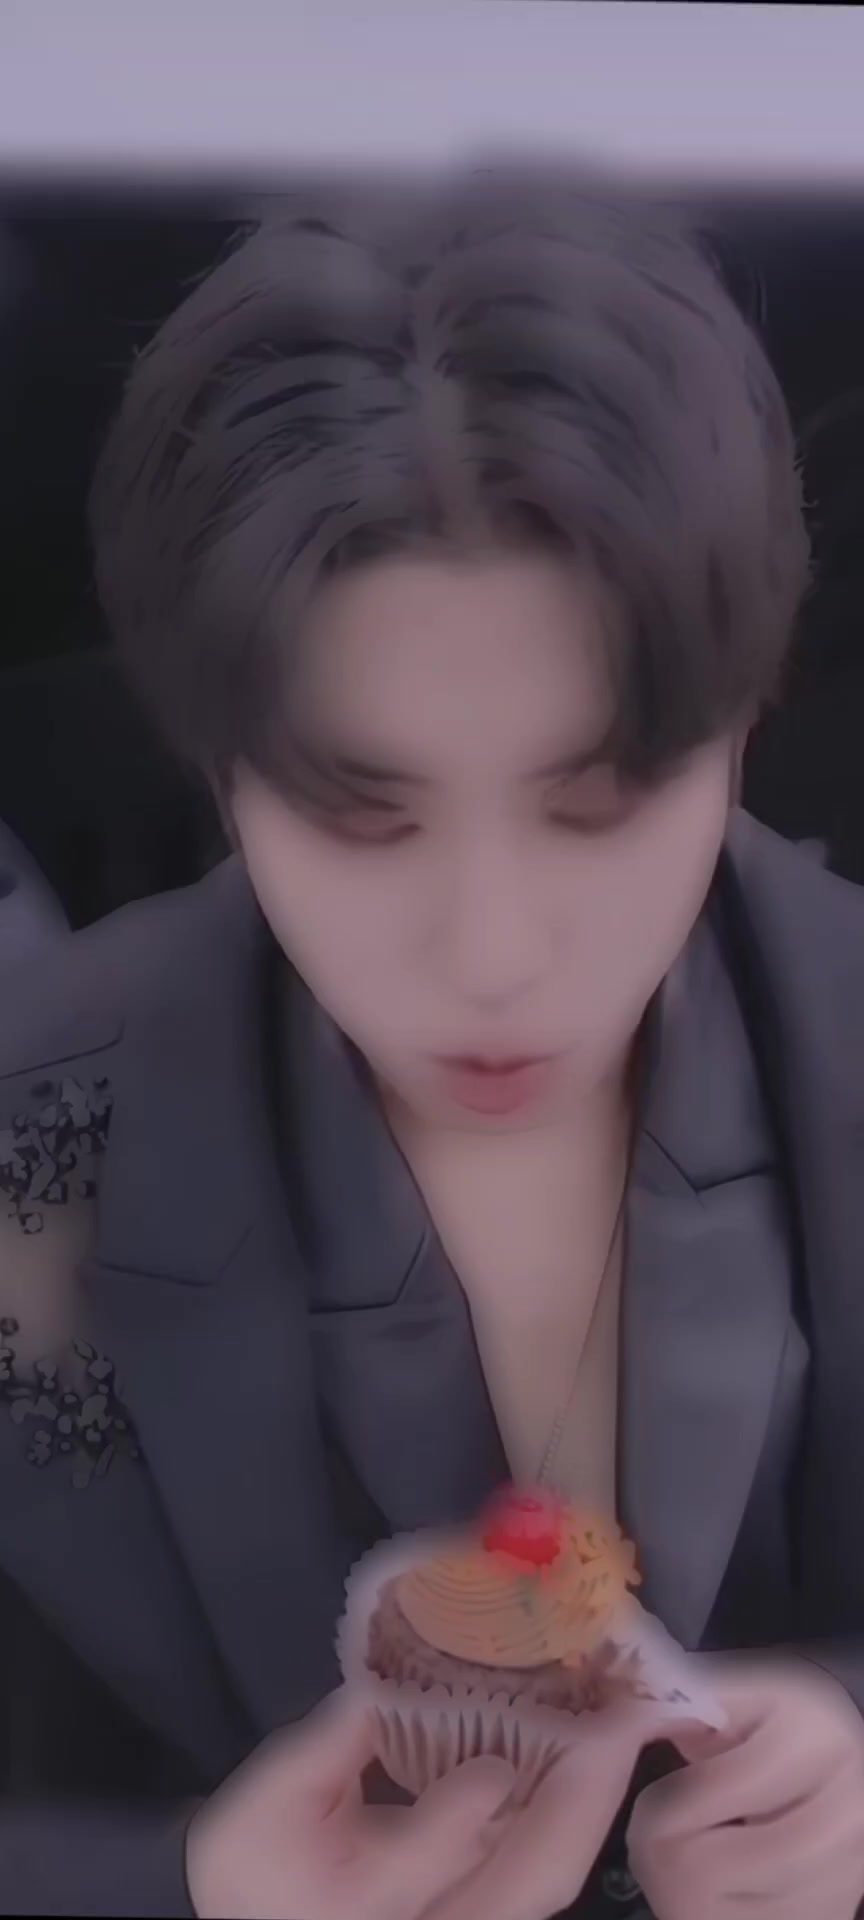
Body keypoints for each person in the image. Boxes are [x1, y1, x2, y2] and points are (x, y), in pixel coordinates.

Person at [1, 159, 864, 1920]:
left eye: (600, 804)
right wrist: (183, 1887)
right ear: (216, 762)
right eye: (362, 817)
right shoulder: (29, 1143)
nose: (494, 957)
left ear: (746, 717)